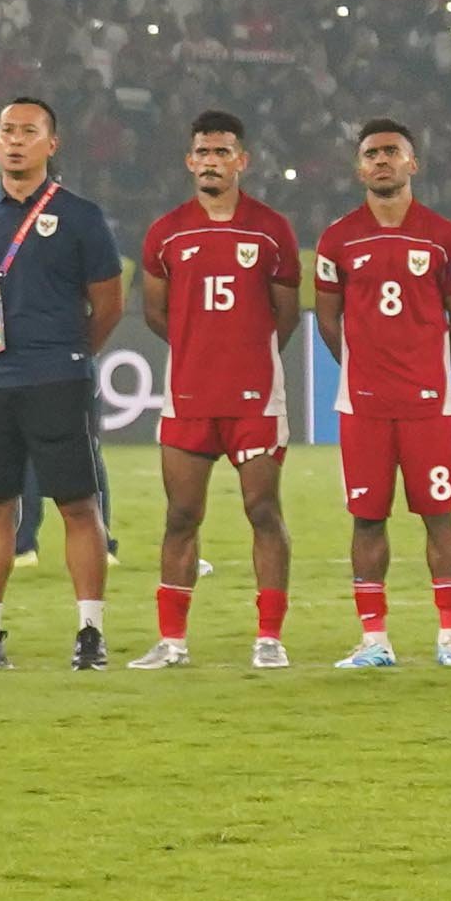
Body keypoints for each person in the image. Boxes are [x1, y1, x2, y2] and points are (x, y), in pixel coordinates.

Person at [0, 93, 127, 673]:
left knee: (76, 504)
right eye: (6, 131)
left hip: (59, 380)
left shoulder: (80, 216)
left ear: (52, 144)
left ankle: (90, 634)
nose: (15, 140)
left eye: (28, 131)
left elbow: (109, 304)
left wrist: (64, 354)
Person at [132, 108, 307, 668]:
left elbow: (286, 315)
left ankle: (270, 638)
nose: (212, 162)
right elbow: (157, 314)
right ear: (190, 161)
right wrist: (201, 348)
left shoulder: (271, 229)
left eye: (223, 152)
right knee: (181, 515)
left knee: (263, 511)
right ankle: (173, 642)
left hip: (255, 399)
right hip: (188, 397)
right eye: (203, 153)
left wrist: (245, 356)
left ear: (242, 161)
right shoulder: (165, 233)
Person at [310, 116, 451, 668]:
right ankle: (374, 639)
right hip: (362, 406)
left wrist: (428, 371)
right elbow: (328, 321)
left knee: (440, 514)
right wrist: (363, 371)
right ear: (359, 167)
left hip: (430, 405)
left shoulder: (443, 235)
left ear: (413, 164)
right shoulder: (337, 238)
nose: (381, 160)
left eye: (392, 152)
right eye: (372, 154)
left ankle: (450, 637)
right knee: (367, 519)